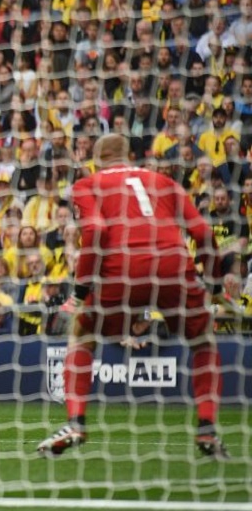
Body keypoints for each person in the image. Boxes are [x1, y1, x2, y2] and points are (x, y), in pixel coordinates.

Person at [37, 134, 227, 458]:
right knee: (203, 342)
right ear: (129, 155)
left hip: (120, 269)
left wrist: (81, 289)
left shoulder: (88, 184)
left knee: (82, 335)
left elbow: (95, 230)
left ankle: (76, 422)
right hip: (173, 266)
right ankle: (207, 429)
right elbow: (202, 233)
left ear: (97, 159)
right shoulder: (163, 181)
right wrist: (214, 283)